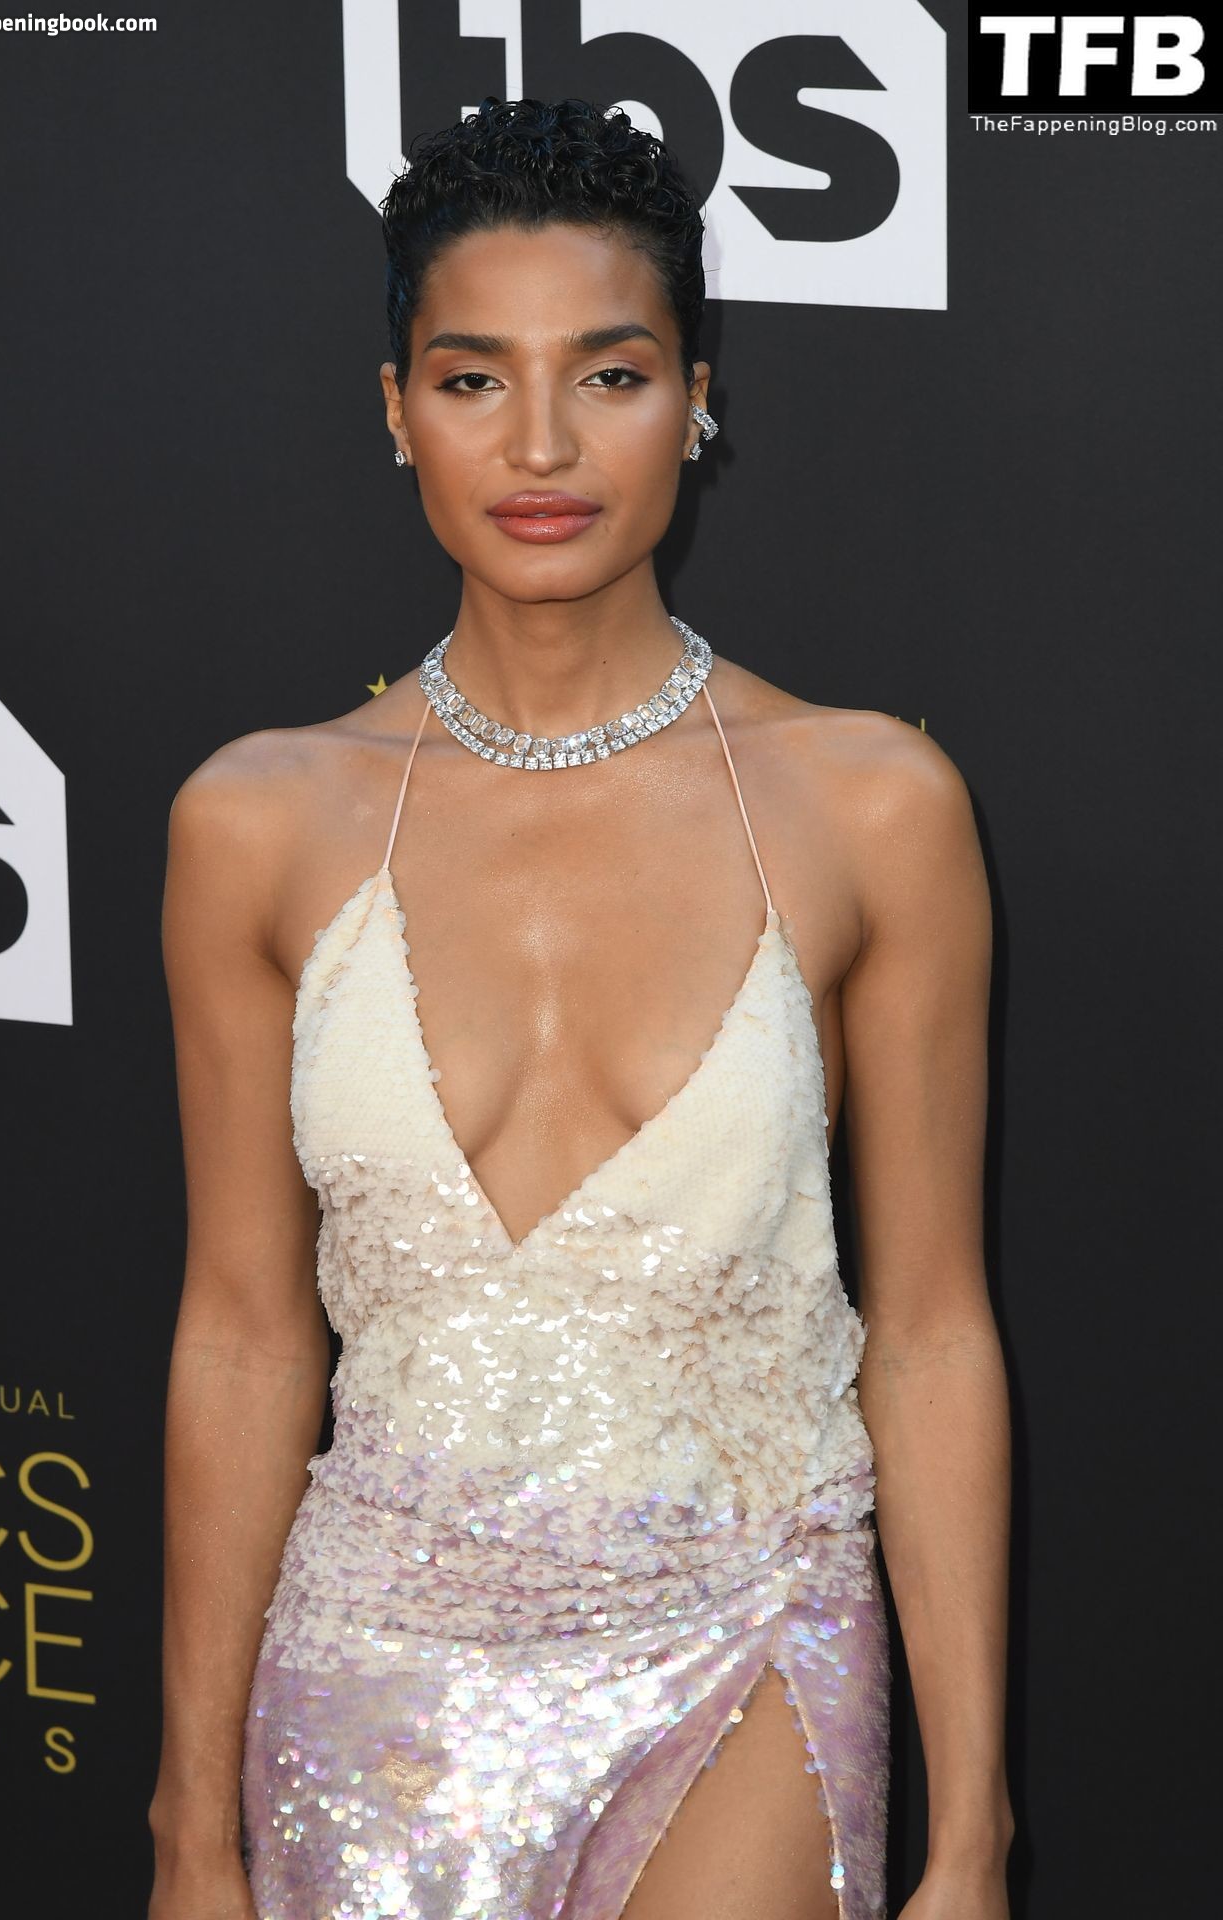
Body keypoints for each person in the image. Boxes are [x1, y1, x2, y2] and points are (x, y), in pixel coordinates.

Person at [148, 95, 1012, 1920]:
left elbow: (932, 1329)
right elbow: (240, 1332)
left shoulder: (871, 805)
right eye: (473, 380)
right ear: (398, 411)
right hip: (371, 1675)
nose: (539, 444)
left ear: (695, 398)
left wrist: (972, 1838)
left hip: (748, 1633)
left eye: (609, 376)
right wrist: (186, 1831)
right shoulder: (257, 823)